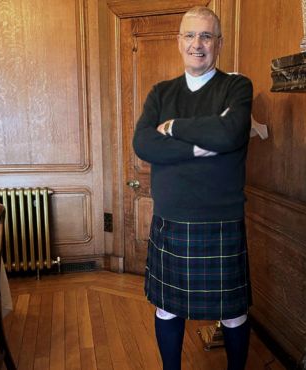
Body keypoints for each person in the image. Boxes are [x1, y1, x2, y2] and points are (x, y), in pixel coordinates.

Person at [132, 6, 253, 370]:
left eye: (206, 36)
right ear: (178, 41)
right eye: (190, 35)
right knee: (168, 308)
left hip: (221, 220)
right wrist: (201, 145)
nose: (197, 44)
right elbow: (143, 144)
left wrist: (173, 128)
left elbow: (230, 133)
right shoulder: (160, 92)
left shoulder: (237, 86)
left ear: (219, 43)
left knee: (232, 312)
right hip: (172, 218)